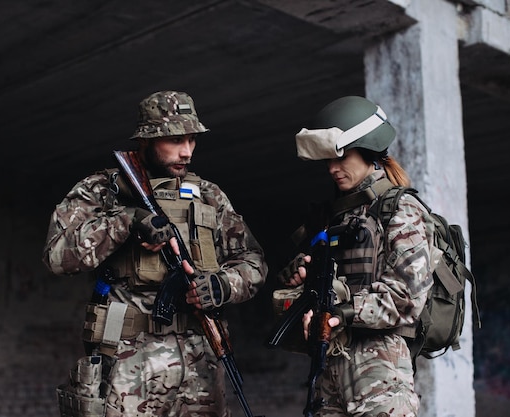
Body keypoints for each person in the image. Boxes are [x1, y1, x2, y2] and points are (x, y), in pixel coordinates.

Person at [42, 90, 268, 417]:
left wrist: (223, 284)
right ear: (146, 140)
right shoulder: (104, 189)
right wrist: (128, 221)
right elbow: (57, 255)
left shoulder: (209, 196)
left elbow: (253, 261)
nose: (187, 151)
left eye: (191, 140)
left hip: (199, 357)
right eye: (175, 140)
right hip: (128, 359)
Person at [277, 96, 442, 417]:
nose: (332, 168)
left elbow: (406, 298)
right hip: (329, 365)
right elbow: (294, 280)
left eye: (342, 157)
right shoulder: (331, 217)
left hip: (379, 367)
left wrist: (343, 311)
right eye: (327, 161)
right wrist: (299, 273)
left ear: (367, 151)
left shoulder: (399, 209)